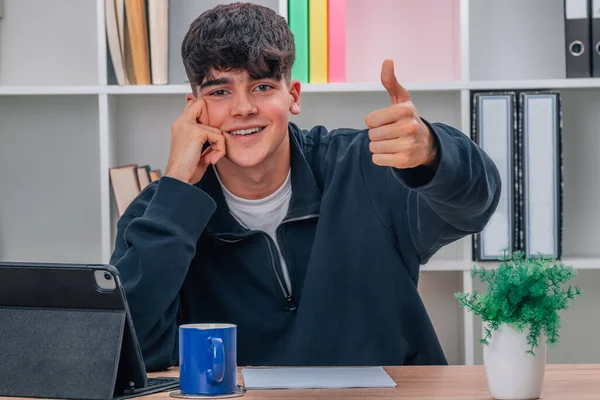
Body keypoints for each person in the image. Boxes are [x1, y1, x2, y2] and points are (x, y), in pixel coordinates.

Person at [111, 2, 501, 371]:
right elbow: (126, 349)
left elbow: (475, 205)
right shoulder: (158, 214)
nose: (243, 108)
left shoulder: (369, 166)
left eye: (262, 87)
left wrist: (433, 150)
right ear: (193, 108)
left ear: (292, 96)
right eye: (219, 91)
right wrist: (177, 189)